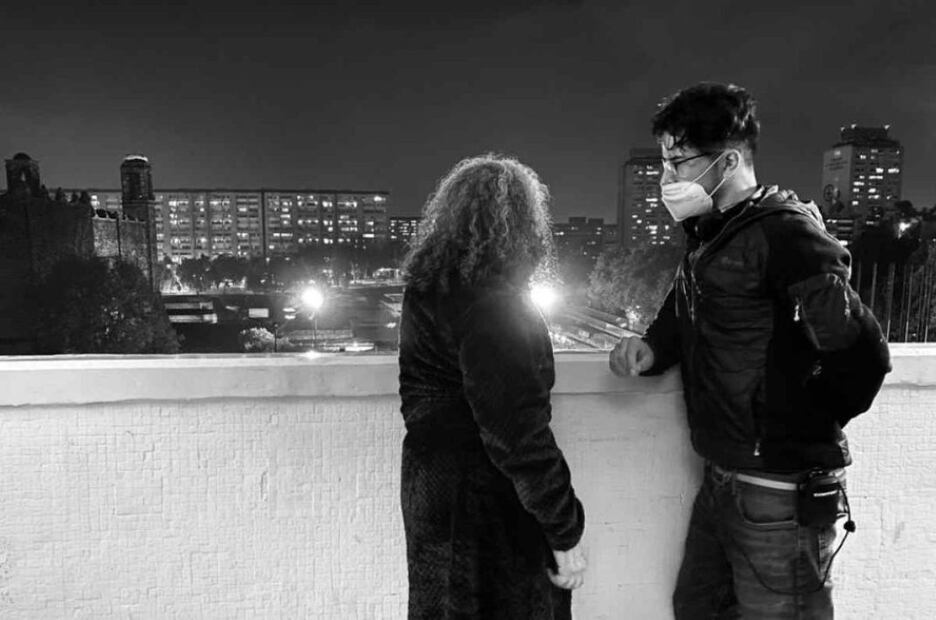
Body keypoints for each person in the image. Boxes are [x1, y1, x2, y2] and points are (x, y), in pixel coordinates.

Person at [609, 82, 889, 618]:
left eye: (679, 162)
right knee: (698, 607)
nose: (668, 178)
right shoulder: (712, 233)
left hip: (777, 488)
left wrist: (792, 431)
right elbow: (691, 306)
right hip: (723, 476)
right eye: (665, 163)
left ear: (730, 160)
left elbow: (862, 359)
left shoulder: (787, 236)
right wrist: (652, 349)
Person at [398, 154, 587, 619]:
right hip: (487, 507)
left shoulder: (427, 287)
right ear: (523, 226)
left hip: (430, 487)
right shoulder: (497, 308)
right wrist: (565, 533)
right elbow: (518, 437)